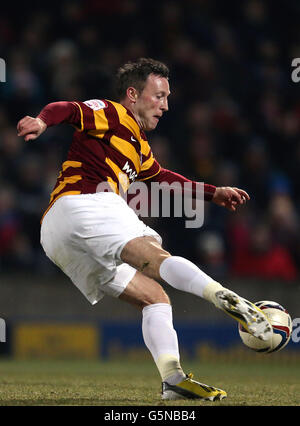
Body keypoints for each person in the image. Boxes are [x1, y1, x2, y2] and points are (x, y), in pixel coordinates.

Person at [17, 58, 272, 402]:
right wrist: (42, 121)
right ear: (133, 95)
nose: (165, 106)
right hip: (85, 203)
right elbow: (67, 108)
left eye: (167, 98)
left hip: (57, 234)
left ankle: (173, 379)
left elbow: (163, 177)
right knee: (154, 258)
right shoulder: (111, 112)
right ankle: (227, 298)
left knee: (155, 298)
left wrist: (214, 193)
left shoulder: (139, 146)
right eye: (160, 96)